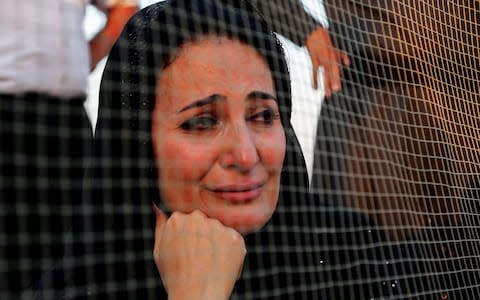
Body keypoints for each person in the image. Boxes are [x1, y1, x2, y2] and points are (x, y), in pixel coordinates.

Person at [57, 1, 413, 299]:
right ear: (137, 147)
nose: (246, 155)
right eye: (201, 123)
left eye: (262, 115)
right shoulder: (81, 286)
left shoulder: (351, 257)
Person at [0, 0, 138, 297]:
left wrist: (88, 55)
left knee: (74, 235)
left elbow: (125, 6)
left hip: (67, 121)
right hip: (6, 117)